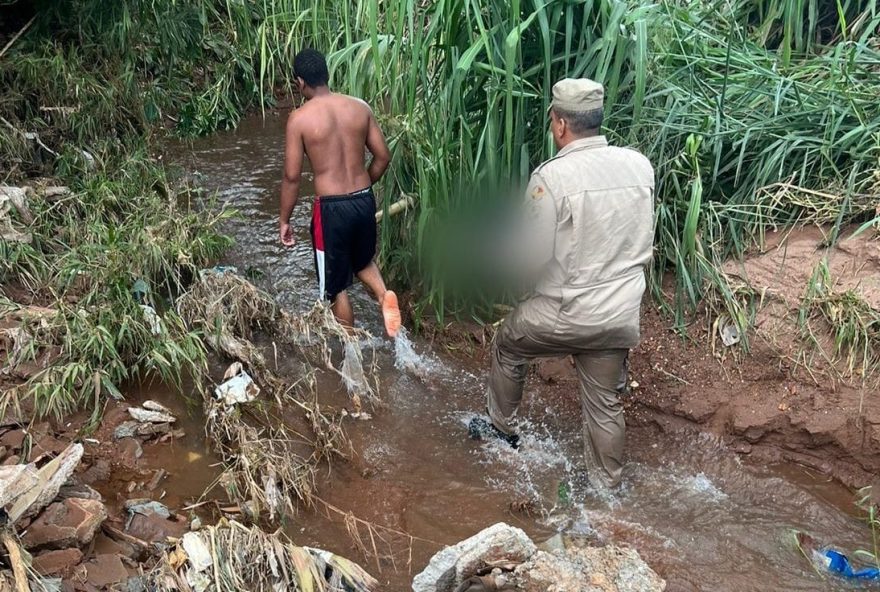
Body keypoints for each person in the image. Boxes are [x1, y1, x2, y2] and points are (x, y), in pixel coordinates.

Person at [469, 78, 655, 490]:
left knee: (509, 343)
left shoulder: (551, 177)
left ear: (560, 124)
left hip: (566, 312)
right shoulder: (640, 165)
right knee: (604, 403)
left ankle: (501, 430)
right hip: (620, 315)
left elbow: (527, 257)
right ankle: (608, 491)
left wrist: (491, 253)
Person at [279, 48, 401, 338]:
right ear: (327, 74)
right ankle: (384, 296)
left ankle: (351, 354)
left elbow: (292, 177)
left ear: (300, 83)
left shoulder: (299, 119)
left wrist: (284, 220)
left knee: (336, 288)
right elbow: (383, 157)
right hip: (363, 200)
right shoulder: (360, 107)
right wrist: (363, 187)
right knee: (362, 261)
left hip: (330, 209)